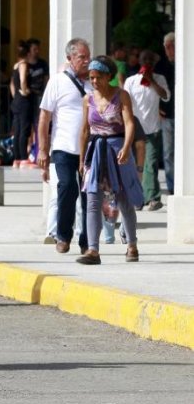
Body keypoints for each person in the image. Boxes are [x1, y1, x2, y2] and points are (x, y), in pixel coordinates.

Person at [77, 57, 144, 264]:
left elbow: (129, 123)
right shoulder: (88, 99)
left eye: (98, 77)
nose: (94, 81)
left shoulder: (121, 95)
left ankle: (132, 245)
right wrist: (81, 160)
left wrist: (126, 147)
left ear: (108, 76)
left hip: (117, 150)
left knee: (123, 199)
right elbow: (85, 131)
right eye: (91, 78)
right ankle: (93, 250)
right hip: (96, 150)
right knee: (93, 198)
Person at [37, 38, 91, 255]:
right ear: (69, 59)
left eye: (88, 56)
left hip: (89, 149)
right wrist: (42, 149)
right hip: (63, 147)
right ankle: (63, 235)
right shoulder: (57, 81)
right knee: (67, 188)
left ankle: (87, 242)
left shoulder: (94, 82)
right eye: (82, 57)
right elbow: (44, 117)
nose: (87, 61)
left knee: (90, 195)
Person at [125, 50, 170, 211]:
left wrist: (151, 81)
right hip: (135, 130)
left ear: (155, 62)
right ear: (140, 60)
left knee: (150, 164)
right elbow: (126, 104)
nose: (148, 62)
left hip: (152, 129)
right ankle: (137, 198)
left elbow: (165, 96)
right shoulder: (131, 81)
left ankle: (152, 198)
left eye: (151, 59)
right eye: (145, 59)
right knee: (135, 165)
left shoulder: (160, 79)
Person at [155, 32, 176, 196]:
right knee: (168, 152)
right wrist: (157, 107)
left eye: (170, 47)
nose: (168, 50)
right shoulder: (162, 66)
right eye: (166, 47)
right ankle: (171, 185)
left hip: (184, 116)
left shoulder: (185, 62)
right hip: (167, 115)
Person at [10, 41, 34, 166]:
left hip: (16, 101)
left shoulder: (15, 65)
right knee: (24, 128)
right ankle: (24, 158)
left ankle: (17, 158)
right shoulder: (24, 64)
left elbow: (12, 84)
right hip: (23, 101)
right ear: (28, 52)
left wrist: (16, 95)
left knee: (17, 129)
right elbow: (23, 79)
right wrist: (24, 91)